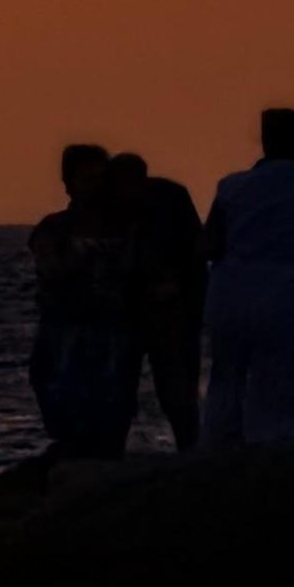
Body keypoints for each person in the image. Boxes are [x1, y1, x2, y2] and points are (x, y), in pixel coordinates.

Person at [202, 103, 294, 449]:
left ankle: (215, 448)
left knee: (226, 377)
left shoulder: (231, 187)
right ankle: (273, 450)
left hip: (229, 293)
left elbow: (208, 245)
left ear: (264, 141)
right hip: (287, 296)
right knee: (281, 383)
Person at [27, 143, 141, 460]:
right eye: (87, 180)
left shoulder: (129, 227)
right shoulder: (54, 228)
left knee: (112, 403)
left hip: (113, 330)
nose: (96, 188)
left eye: (100, 180)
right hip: (66, 328)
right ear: (69, 184)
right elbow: (50, 270)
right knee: (58, 392)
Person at [110, 146, 209, 455]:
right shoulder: (109, 208)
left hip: (173, 313)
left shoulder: (171, 200)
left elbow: (197, 257)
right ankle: (112, 451)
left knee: (177, 392)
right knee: (118, 390)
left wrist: (187, 300)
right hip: (130, 313)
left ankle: (189, 449)